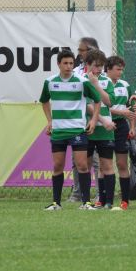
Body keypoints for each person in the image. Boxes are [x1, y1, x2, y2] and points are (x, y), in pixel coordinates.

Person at [40, 50, 101, 210]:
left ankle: (86, 202)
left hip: (77, 130)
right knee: (58, 166)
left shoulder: (82, 81)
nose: (68, 66)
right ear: (58, 64)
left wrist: (93, 120)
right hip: (59, 131)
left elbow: (97, 99)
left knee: (82, 165)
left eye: (71, 63)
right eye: (65, 63)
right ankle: (56, 203)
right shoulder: (50, 82)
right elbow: (44, 101)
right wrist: (49, 121)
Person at [68, 37, 100, 202]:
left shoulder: (101, 69)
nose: (78, 53)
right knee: (77, 159)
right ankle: (77, 193)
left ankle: (100, 193)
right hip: (78, 121)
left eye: (82, 50)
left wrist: (97, 116)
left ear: (91, 50)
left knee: (96, 160)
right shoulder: (76, 70)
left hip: (98, 120)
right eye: (79, 50)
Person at [83, 50, 117, 209]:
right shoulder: (80, 80)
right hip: (87, 129)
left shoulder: (106, 81)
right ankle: (87, 201)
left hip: (105, 131)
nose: (98, 70)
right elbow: (87, 105)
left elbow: (109, 102)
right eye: (96, 66)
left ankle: (107, 201)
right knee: (85, 166)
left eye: (101, 67)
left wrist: (96, 83)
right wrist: (102, 120)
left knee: (107, 166)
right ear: (87, 65)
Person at [106, 56, 136, 210]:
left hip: (121, 126)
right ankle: (105, 200)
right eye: (118, 69)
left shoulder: (125, 85)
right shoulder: (101, 84)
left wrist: (132, 127)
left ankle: (125, 200)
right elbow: (100, 107)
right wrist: (121, 112)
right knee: (104, 165)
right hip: (104, 125)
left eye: (122, 69)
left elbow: (131, 109)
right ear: (109, 69)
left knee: (121, 164)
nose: (120, 72)